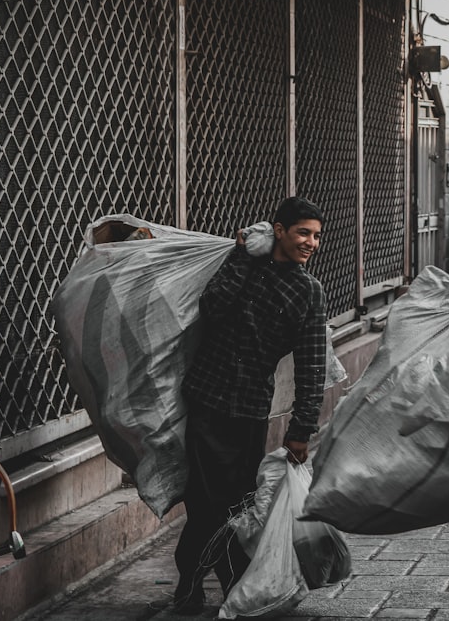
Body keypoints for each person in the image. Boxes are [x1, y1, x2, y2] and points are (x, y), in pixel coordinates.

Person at [172, 196, 328, 615]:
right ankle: (196, 578)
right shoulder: (242, 265)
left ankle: (225, 582)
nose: (310, 243)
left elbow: (313, 366)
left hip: (250, 411)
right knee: (204, 501)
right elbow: (212, 307)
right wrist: (243, 256)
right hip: (206, 400)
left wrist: (300, 430)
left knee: (238, 503)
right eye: (302, 233)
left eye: (315, 236)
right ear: (278, 230)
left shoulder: (309, 292)